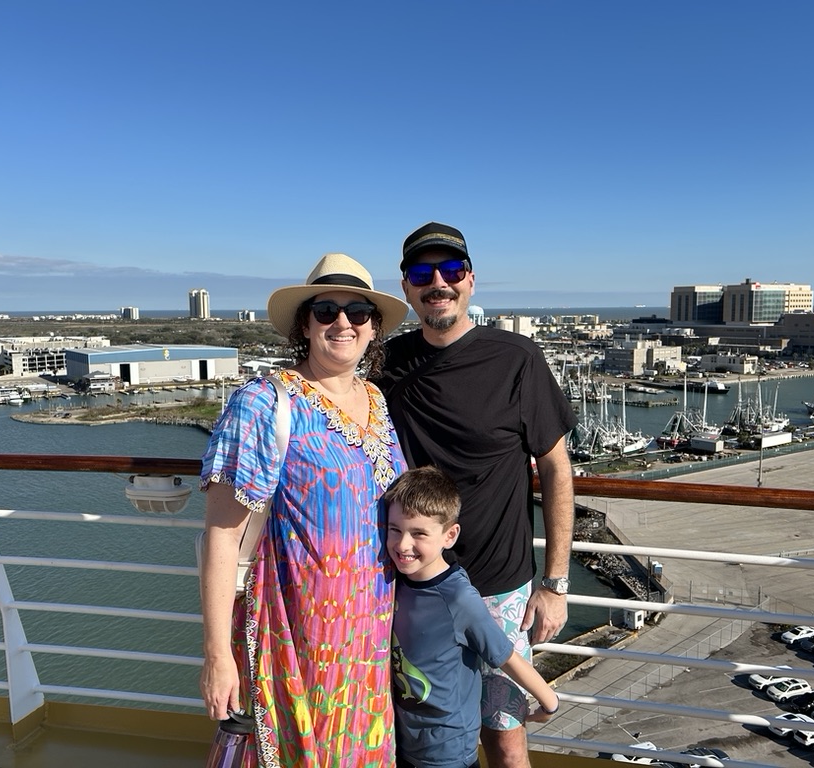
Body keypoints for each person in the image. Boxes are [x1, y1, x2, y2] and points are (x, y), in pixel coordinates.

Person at [377, 222, 578, 767]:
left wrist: (555, 584)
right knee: (415, 726)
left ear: (470, 281)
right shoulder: (387, 364)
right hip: (413, 582)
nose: (437, 283)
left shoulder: (517, 359)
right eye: (422, 273)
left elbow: (557, 470)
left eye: (451, 271)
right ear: (405, 286)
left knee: (505, 740)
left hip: (499, 587)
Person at [198, 252, 410, 767]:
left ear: (374, 327)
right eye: (326, 310)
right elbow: (221, 535)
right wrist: (217, 656)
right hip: (296, 631)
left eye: (358, 312)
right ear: (305, 324)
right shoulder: (265, 403)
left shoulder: (377, 401)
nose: (343, 322)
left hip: (371, 633)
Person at [385, 466, 560, 768]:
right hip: (402, 743)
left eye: (419, 534)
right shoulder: (395, 580)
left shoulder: (459, 598)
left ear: (449, 535)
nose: (403, 545)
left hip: (448, 753)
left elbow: (505, 656)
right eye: (395, 530)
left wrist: (549, 701)